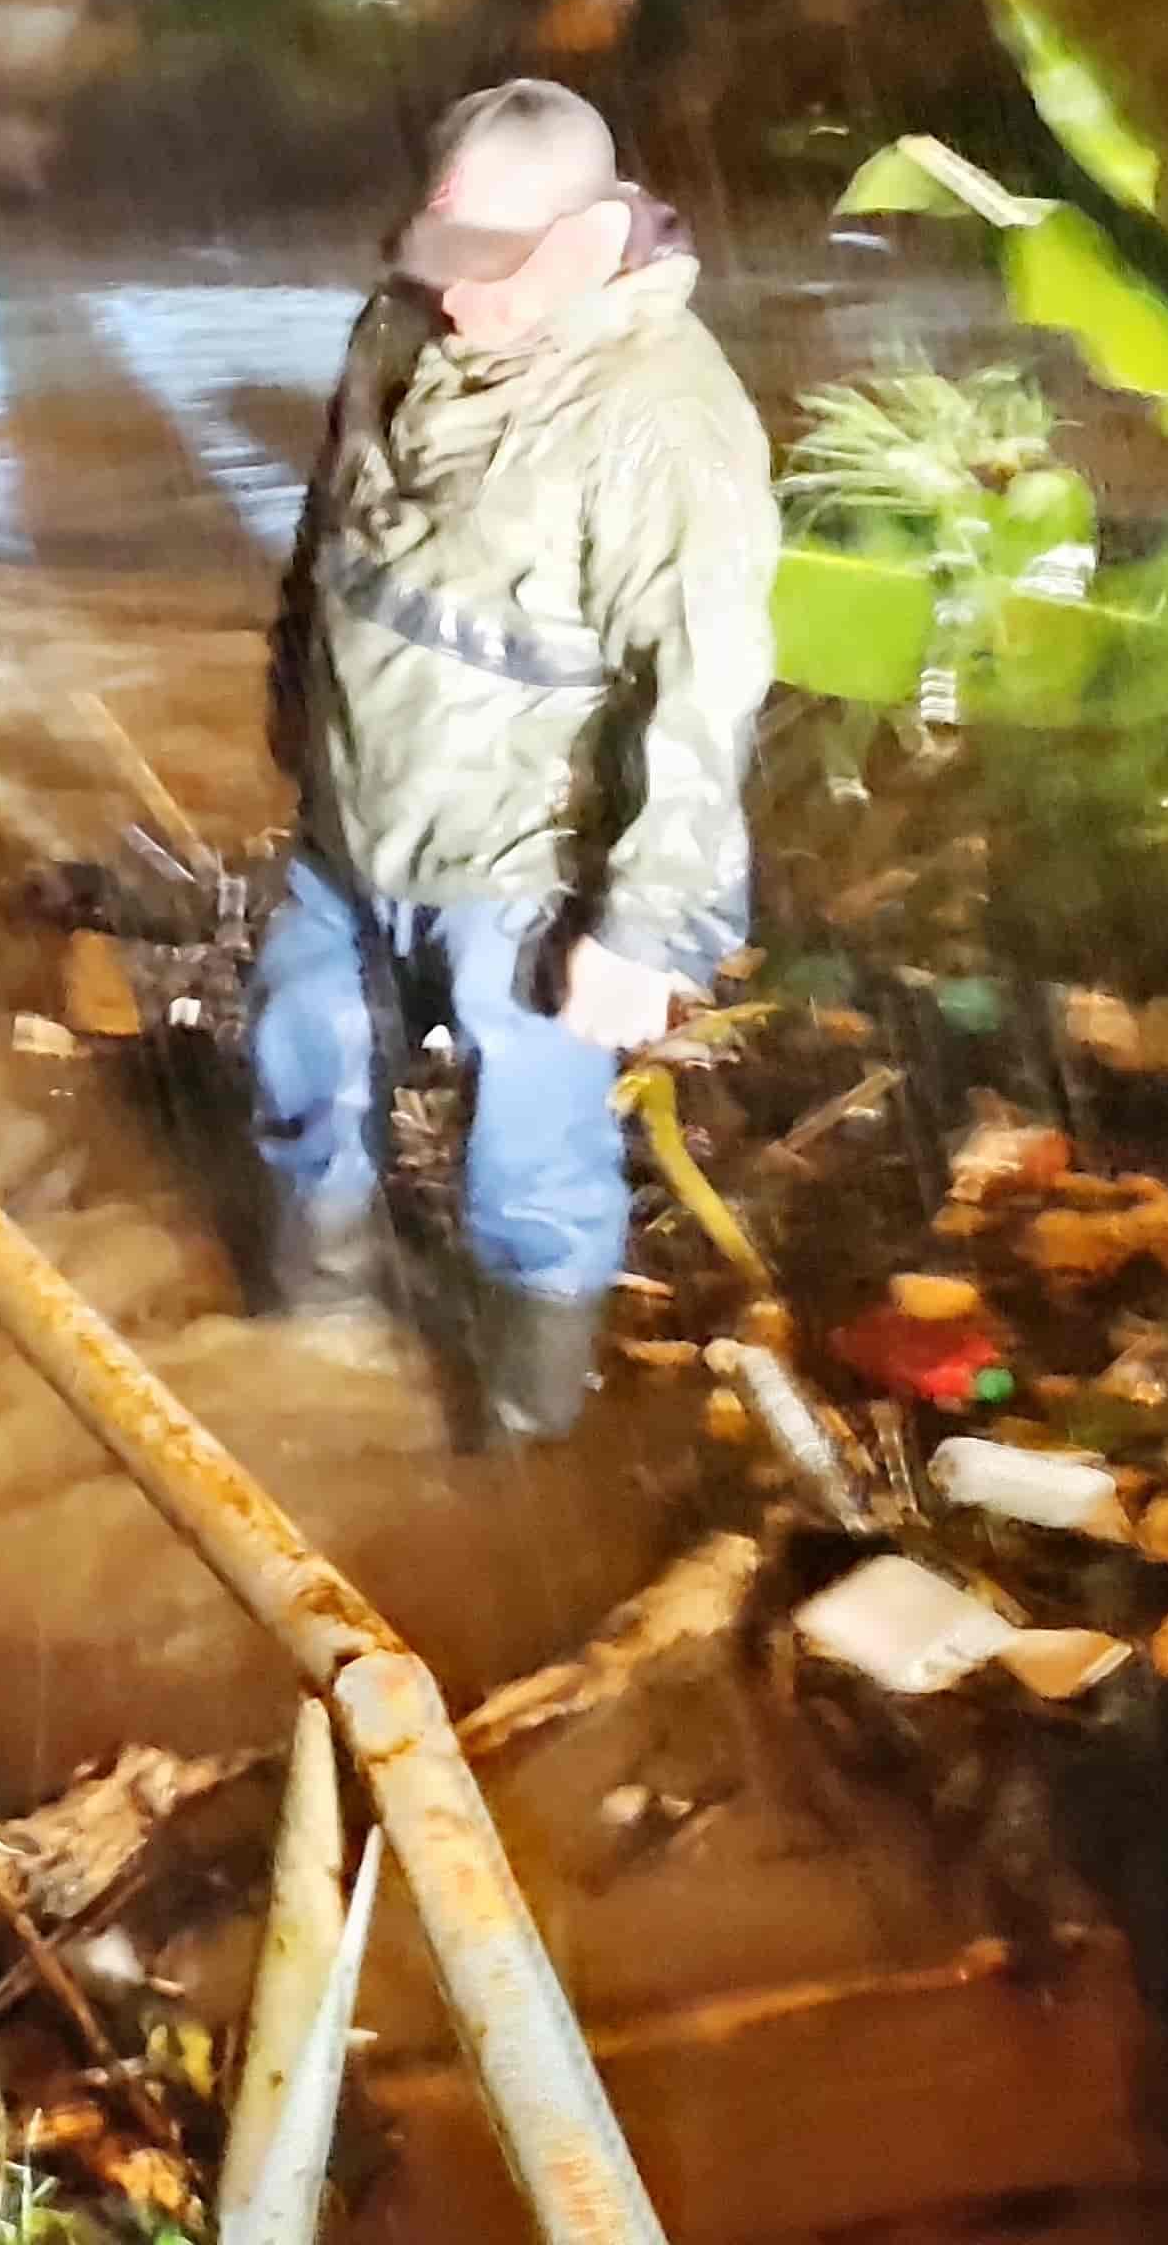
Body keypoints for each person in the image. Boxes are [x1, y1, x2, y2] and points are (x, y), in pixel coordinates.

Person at [254, 78, 776, 1443]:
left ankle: (523, 1443)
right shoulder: (401, 324)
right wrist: (291, 724)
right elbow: (330, 545)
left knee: (529, 1170)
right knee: (305, 1080)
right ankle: (314, 1368)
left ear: (577, 241)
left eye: (483, 272)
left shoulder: (663, 423)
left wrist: (641, 927)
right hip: (351, 828)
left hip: (521, 864)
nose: (451, 300)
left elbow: (703, 695)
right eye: (435, 262)